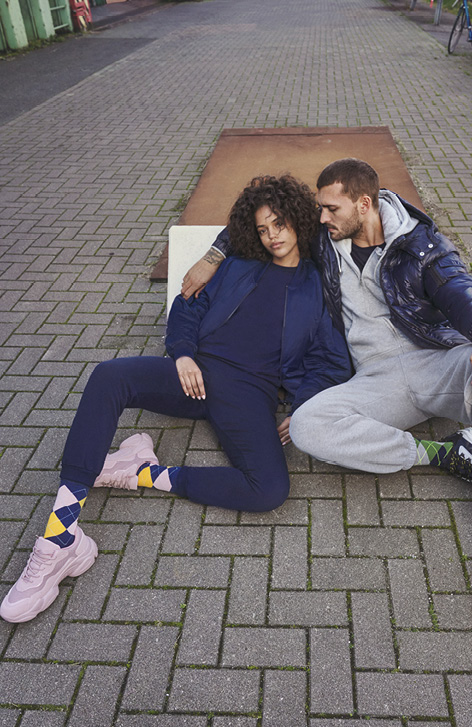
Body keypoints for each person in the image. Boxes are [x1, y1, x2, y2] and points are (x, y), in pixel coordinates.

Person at [181, 158, 472, 671]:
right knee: (308, 425)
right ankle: (444, 453)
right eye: (319, 209)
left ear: (365, 203)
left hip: (435, 363)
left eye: (331, 209)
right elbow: (259, 216)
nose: (321, 218)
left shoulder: (420, 244)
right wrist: (212, 256)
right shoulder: (324, 236)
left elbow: (459, 286)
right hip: (376, 381)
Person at [1, 174, 351, 624]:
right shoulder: (239, 263)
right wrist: (183, 354)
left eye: (279, 224)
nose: (272, 236)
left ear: (298, 220)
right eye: (263, 229)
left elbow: (329, 360)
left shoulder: (314, 286)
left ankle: (143, 471)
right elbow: (188, 305)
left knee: (269, 489)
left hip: (249, 393)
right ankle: (59, 539)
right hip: (193, 373)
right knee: (109, 376)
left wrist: (304, 405)